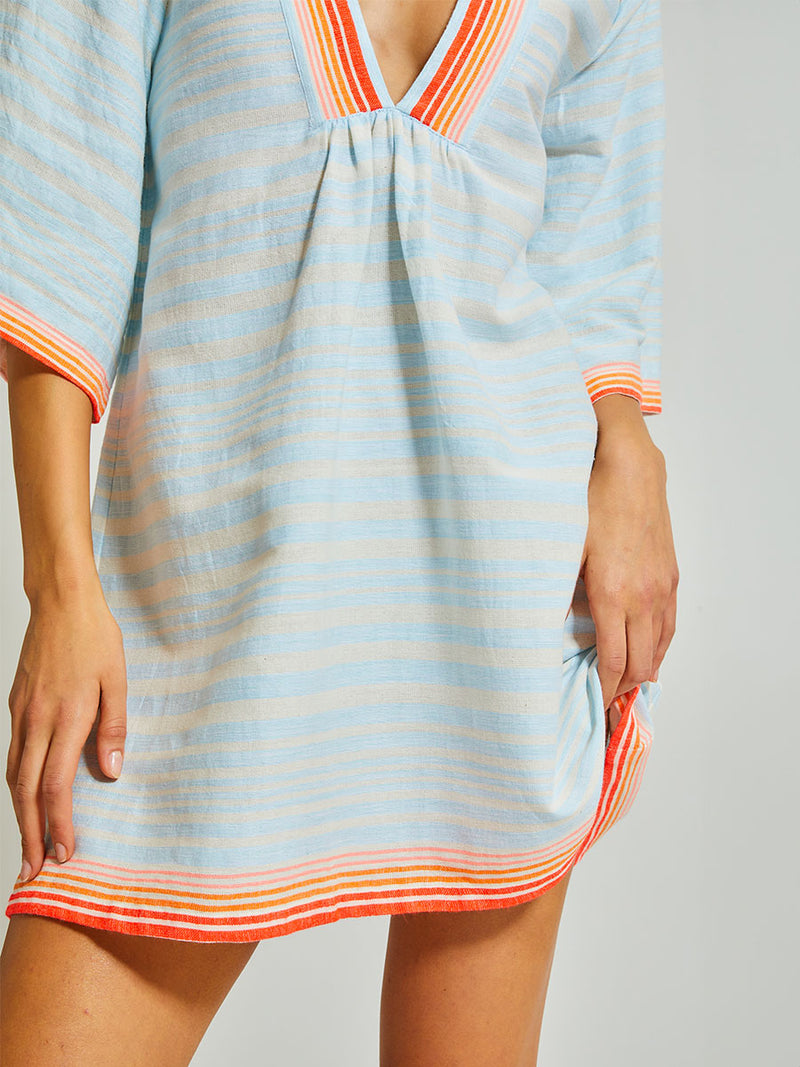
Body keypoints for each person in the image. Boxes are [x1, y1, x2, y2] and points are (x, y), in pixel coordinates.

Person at [0, 0, 678, 1062]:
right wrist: (61, 587)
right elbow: (51, 212)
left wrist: (628, 448)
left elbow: (591, 239)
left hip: (500, 602)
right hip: (204, 619)